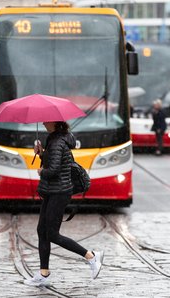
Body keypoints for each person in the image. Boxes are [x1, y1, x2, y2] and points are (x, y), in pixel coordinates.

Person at [24, 121, 104, 287]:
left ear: (55, 123)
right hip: (54, 191)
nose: (44, 123)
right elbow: (55, 162)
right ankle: (43, 274)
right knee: (42, 230)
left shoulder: (58, 142)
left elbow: (52, 170)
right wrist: (41, 153)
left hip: (59, 192)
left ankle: (91, 256)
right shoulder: (56, 140)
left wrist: (41, 171)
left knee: (52, 234)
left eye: (47, 120)